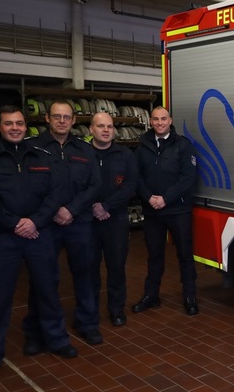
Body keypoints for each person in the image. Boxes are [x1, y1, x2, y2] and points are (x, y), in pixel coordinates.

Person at [0, 106, 77, 380]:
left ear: (26, 125)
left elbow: (55, 194)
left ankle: (56, 340)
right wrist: (14, 223)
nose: (15, 128)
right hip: (3, 237)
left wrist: (35, 222)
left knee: (48, 290)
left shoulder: (43, 156)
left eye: (19, 123)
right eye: (8, 123)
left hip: (39, 234)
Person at [24, 100, 102, 349]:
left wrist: (71, 209)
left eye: (66, 117)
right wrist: (51, 211)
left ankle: (87, 323)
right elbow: (27, 188)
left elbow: (95, 185)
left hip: (79, 223)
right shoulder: (32, 148)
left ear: (73, 120)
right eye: (56, 116)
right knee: (43, 278)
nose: (61, 121)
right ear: (47, 118)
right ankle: (36, 332)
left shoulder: (84, 149)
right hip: (45, 225)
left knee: (85, 275)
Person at [132, 106, 199, 316]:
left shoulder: (183, 146)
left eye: (163, 119)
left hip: (177, 210)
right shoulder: (142, 146)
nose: (159, 123)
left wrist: (166, 198)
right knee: (154, 255)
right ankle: (151, 295)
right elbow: (136, 176)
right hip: (152, 211)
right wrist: (149, 197)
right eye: (155, 119)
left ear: (170, 120)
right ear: (150, 121)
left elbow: (188, 177)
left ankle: (190, 297)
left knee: (185, 255)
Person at [89, 113, 138, 326]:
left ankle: (117, 310)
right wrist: (93, 207)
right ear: (91, 129)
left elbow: (130, 185)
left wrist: (106, 206)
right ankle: (89, 311)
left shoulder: (125, 155)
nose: (106, 130)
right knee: (88, 268)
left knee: (116, 267)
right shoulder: (82, 154)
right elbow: (75, 185)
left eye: (109, 126)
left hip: (116, 218)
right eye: (101, 126)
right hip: (87, 219)